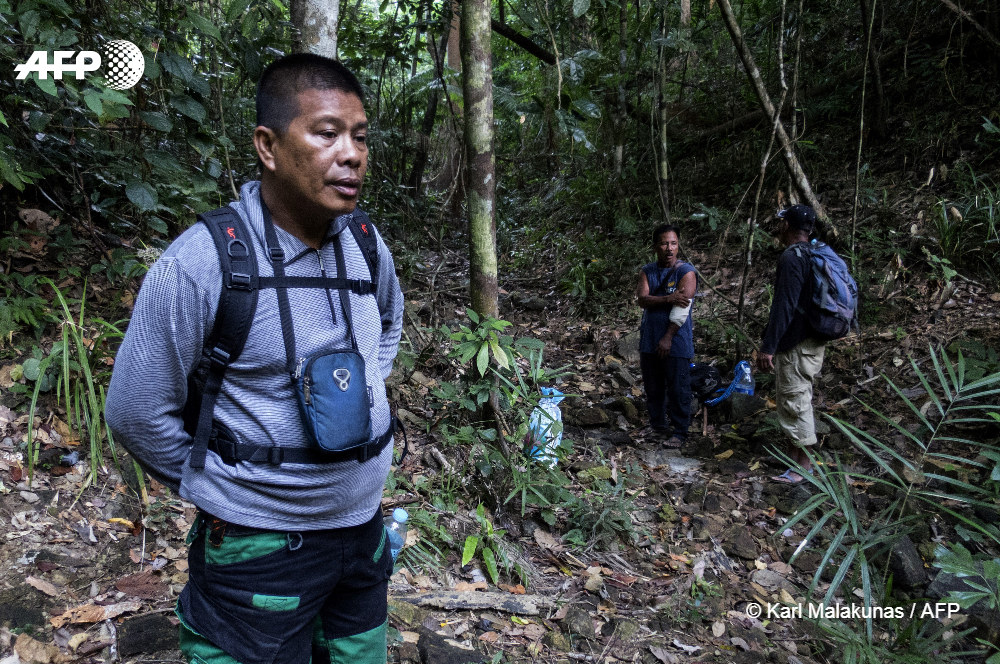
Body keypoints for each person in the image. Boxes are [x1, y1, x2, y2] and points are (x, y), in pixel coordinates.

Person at [105, 54, 404, 664]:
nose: (351, 155)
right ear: (268, 147)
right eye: (327, 134)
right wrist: (227, 487)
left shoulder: (367, 245)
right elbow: (135, 410)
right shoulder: (203, 263)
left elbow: (387, 328)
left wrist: (363, 399)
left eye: (360, 137)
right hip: (256, 551)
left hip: (362, 535)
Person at [757, 204, 824, 484]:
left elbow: (784, 305)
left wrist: (768, 346)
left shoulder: (792, 257)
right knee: (792, 399)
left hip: (797, 343)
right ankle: (793, 459)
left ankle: (803, 469)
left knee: (797, 402)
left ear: (786, 226)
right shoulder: (814, 253)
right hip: (812, 341)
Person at [636, 224, 697, 448]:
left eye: (673, 243)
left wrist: (668, 337)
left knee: (678, 387)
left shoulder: (686, 272)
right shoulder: (647, 271)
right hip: (650, 338)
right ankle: (658, 427)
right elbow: (642, 299)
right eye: (664, 243)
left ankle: (680, 432)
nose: (669, 248)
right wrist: (668, 298)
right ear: (655, 246)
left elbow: (682, 307)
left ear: (678, 246)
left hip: (677, 341)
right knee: (653, 387)